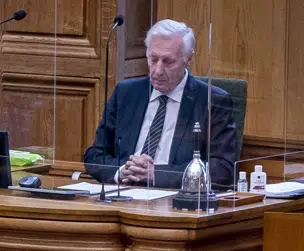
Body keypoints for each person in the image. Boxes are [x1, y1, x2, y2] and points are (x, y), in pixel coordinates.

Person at [82, 19, 239, 189]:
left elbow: (222, 169)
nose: (157, 70)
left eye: (168, 62)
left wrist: (156, 174)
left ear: (188, 59)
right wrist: (122, 171)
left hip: (176, 201)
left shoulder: (212, 101)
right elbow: (95, 155)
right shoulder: (126, 93)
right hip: (124, 194)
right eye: (153, 59)